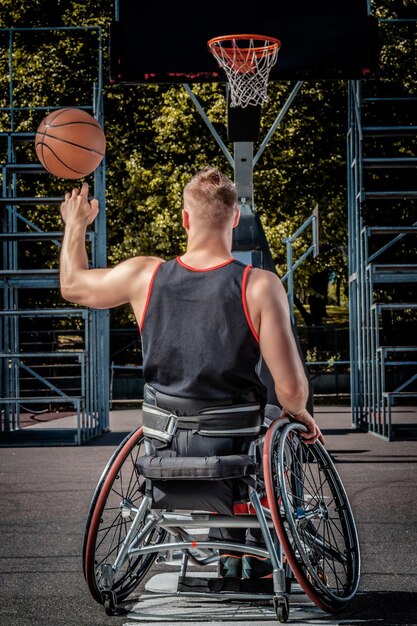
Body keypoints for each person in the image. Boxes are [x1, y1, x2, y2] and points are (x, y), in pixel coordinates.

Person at [59, 166, 323, 580]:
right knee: (279, 420)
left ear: (185, 219)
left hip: (163, 445)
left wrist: (75, 225)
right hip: (232, 447)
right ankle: (255, 551)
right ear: (235, 219)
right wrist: (302, 414)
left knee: (251, 424)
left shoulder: (145, 275)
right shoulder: (259, 285)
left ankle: (230, 550)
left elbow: (72, 285)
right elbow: (290, 389)